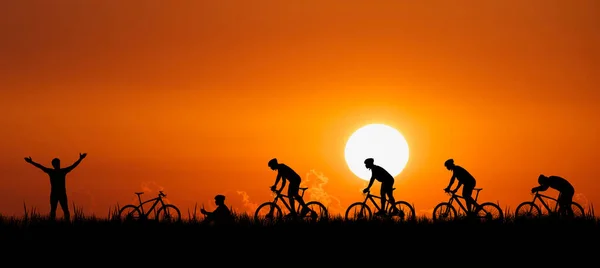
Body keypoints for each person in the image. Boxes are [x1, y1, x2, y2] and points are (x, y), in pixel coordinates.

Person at [24, 153, 87, 221]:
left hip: (61, 194)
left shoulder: (61, 171)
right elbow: (40, 166)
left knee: (65, 210)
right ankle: (53, 223)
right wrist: (31, 162)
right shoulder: (52, 172)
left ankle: (67, 223)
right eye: (56, 164)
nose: (58, 165)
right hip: (55, 194)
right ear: (53, 165)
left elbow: (73, 166)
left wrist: (80, 159)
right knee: (53, 210)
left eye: (58, 163)